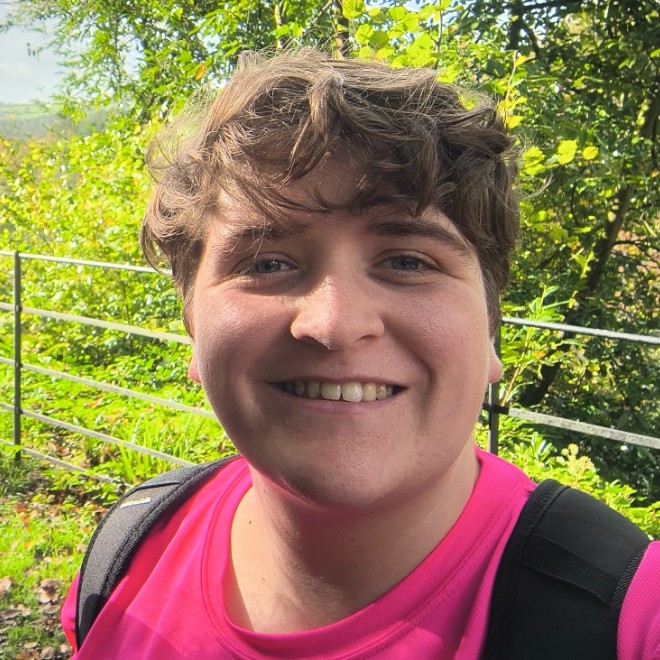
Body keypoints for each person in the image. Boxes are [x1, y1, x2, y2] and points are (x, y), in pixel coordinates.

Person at [60, 49, 659, 658]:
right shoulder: (126, 557)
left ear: (489, 330)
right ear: (193, 328)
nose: (334, 324)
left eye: (408, 262)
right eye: (266, 263)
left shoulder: (633, 620)